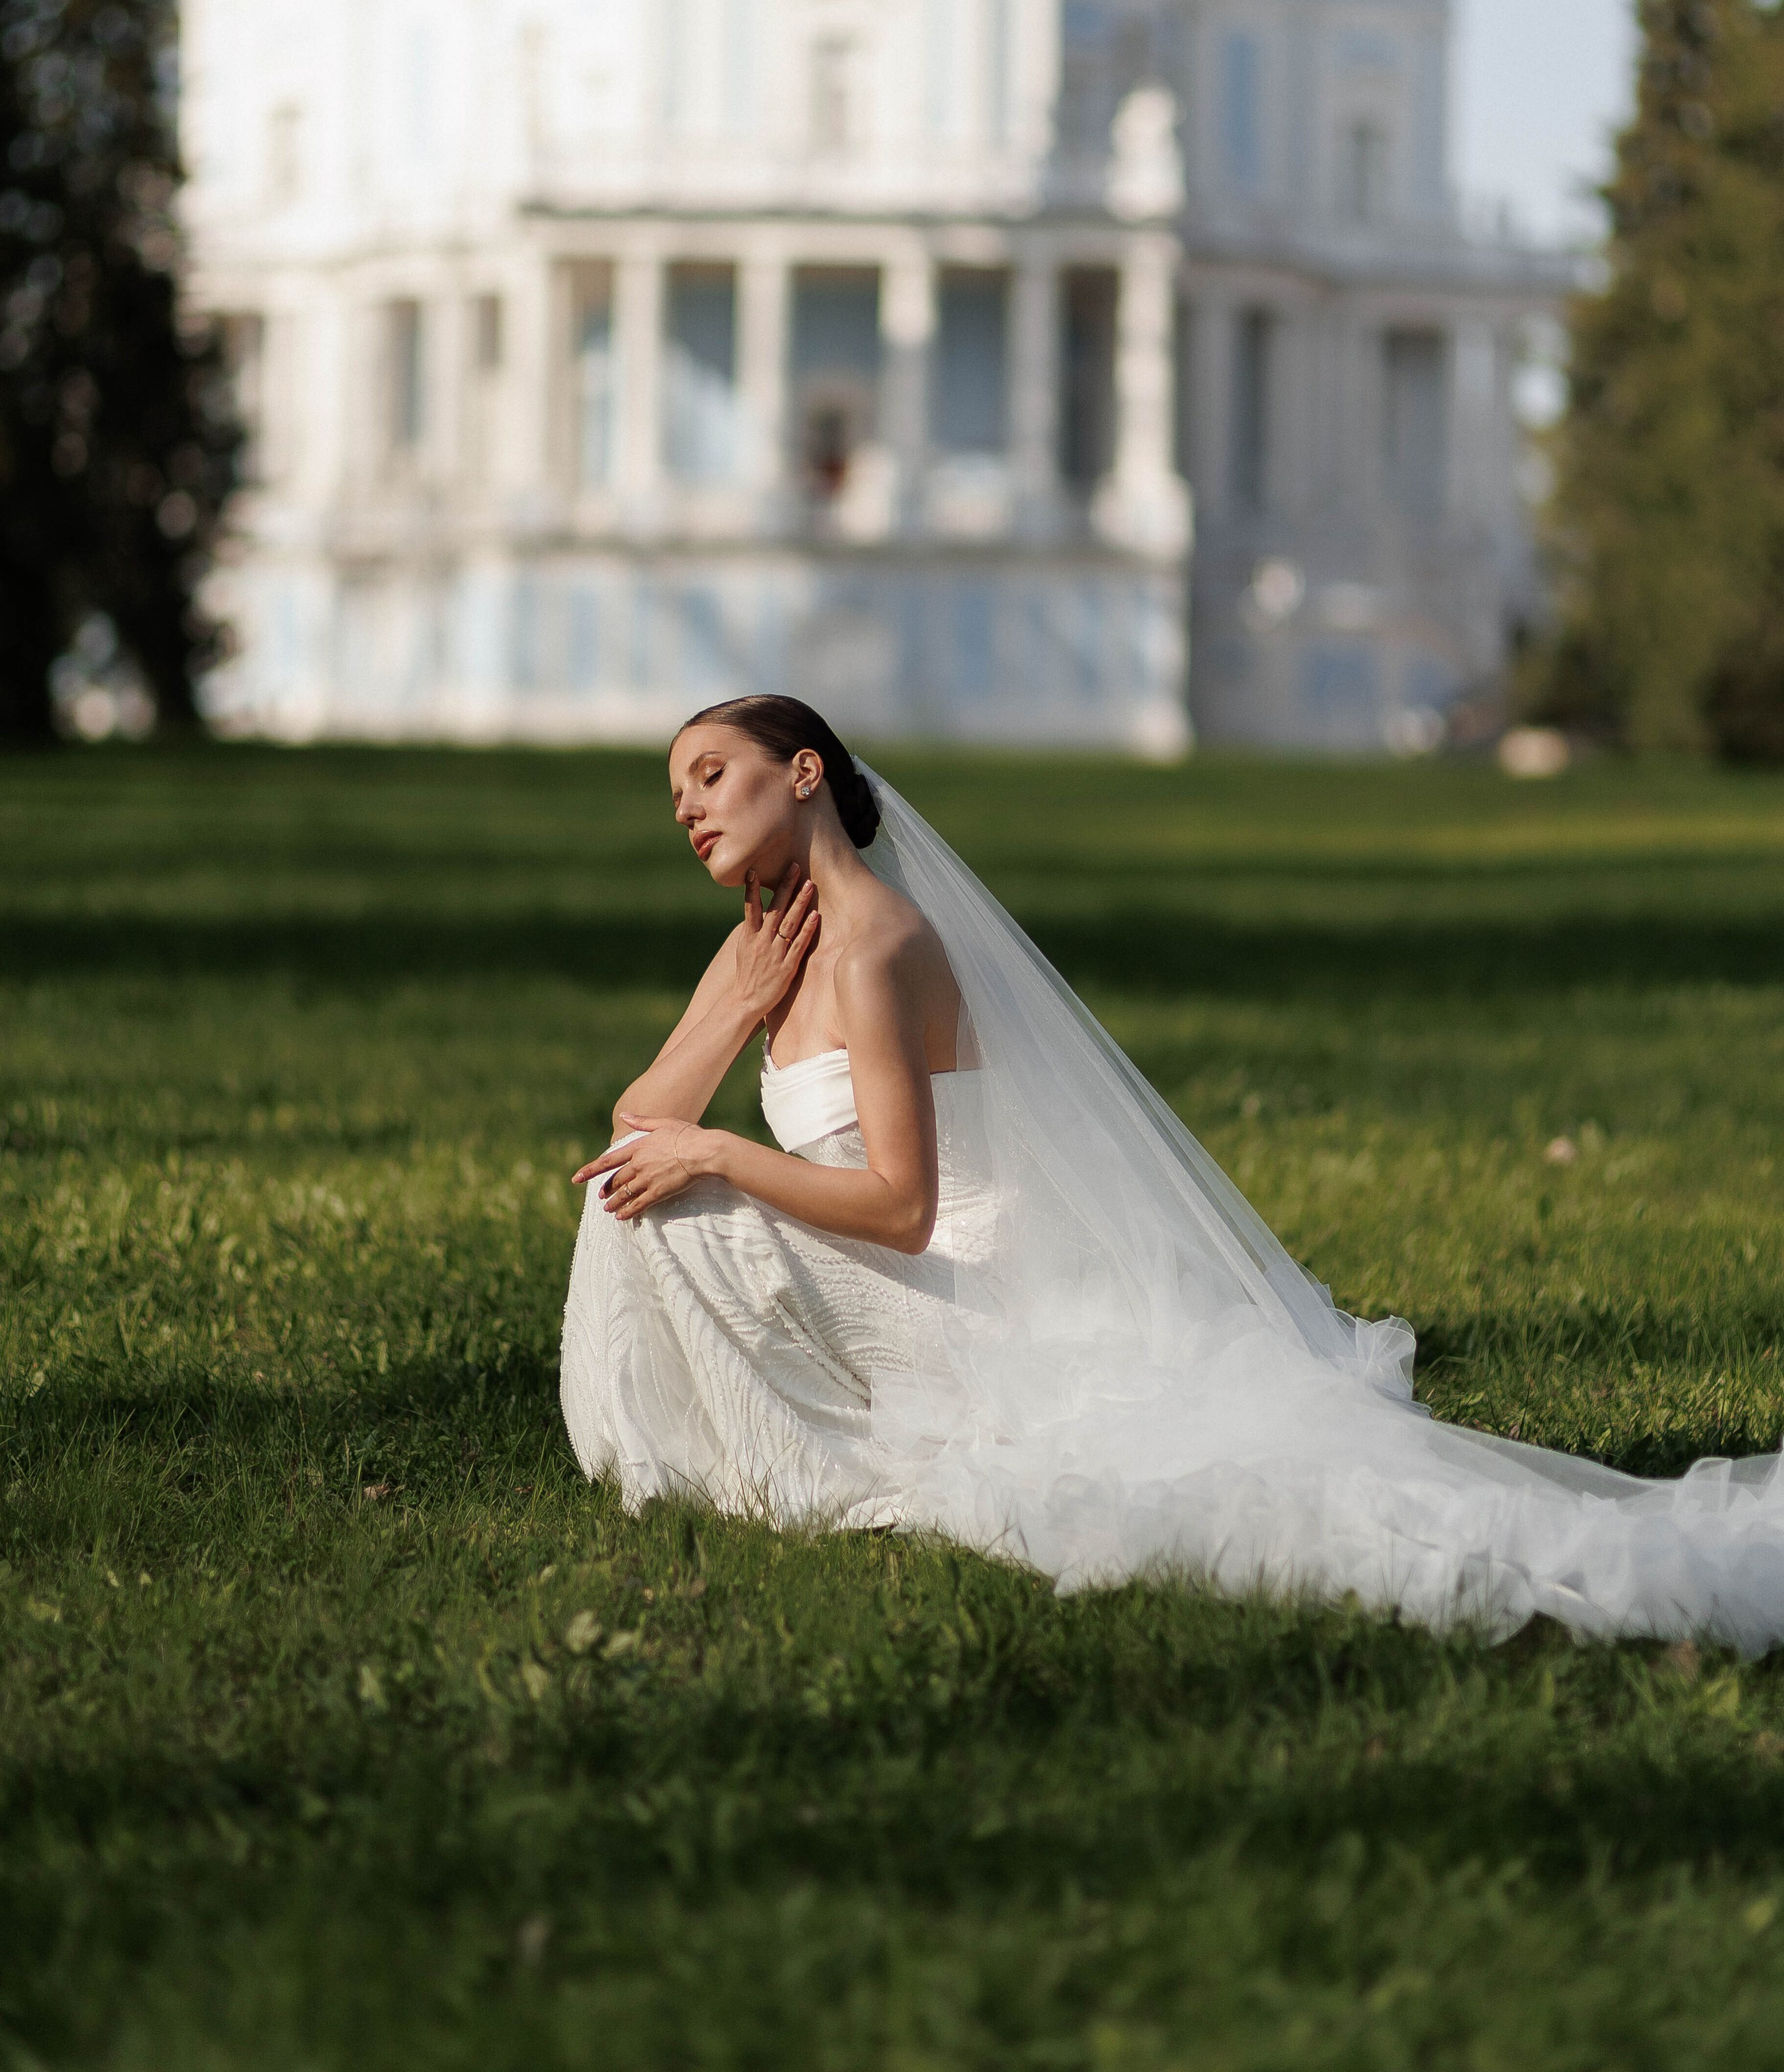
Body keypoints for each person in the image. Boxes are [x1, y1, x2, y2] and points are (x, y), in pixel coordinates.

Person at [561, 695, 1784, 1650]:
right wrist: (735, 1013)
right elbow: (635, 1126)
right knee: (637, 1191)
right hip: (877, 1268)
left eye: (710, 775)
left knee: (667, 1191)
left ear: (807, 772)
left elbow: (905, 1208)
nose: (687, 809)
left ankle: (776, 1469)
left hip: (963, 1295)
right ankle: (732, 1467)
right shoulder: (765, 945)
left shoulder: (878, 941)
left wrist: (723, 1148)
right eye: (677, 794)